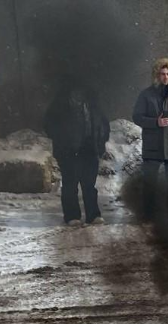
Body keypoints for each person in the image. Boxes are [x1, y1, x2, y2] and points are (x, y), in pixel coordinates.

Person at [132, 58, 168, 223]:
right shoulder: (146, 95)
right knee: (150, 182)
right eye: (162, 74)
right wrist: (155, 122)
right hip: (153, 146)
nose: (165, 77)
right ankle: (149, 214)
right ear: (156, 75)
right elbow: (137, 117)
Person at [43, 85, 110, 227]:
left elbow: (103, 124)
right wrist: (62, 140)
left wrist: (100, 141)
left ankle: (93, 215)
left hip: (89, 149)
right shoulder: (60, 105)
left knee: (89, 185)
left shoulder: (93, 104)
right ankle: (72, 215)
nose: (79, 94)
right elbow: (49, 125)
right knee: (70, 184)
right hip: (69, 151)